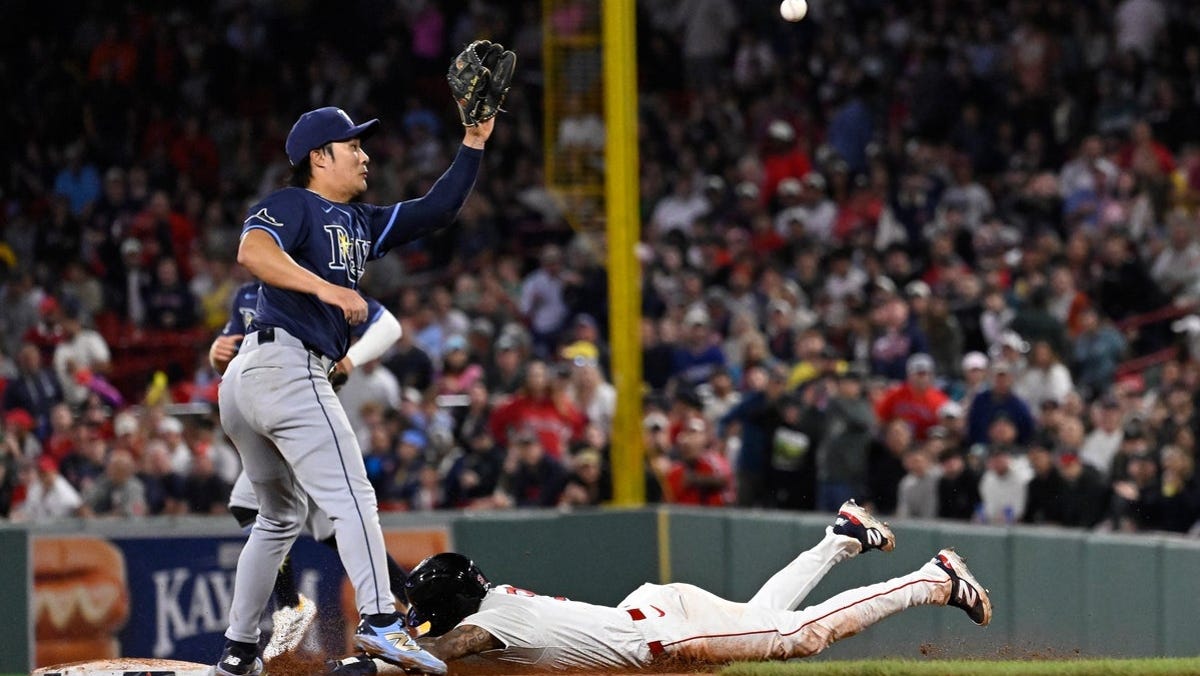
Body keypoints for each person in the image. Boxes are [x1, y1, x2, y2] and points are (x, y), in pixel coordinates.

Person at [212, 90, 497, 676]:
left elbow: (438, 208)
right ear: (320, 156)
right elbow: (252, 250)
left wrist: (473, 142)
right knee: (353, 497)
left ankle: (239, 651)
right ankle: (382, 623)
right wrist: (326, 289)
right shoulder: (295, 202)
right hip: (282, 367)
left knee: (278, 519)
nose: (364, 155)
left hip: (262, 376)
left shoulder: (363, 222)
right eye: (353, 145)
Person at [331, 501, 989, 674]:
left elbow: (439, 653)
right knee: (763, 619)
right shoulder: (487, 605)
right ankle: (844, 536)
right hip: (648, 613)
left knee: (799, 635)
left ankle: (932, 581)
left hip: (663, 634)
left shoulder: (490, 628)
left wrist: (374, 655)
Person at [212, 279, 408, 657]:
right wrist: (214, 354)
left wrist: (350, 358)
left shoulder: (315, 285)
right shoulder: (249, 293)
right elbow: (233, 354)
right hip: (267, 410)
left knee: (304, 514)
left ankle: (273, 623)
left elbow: (388, 326)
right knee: (317, 521)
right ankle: (405, 599)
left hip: (308, 414)